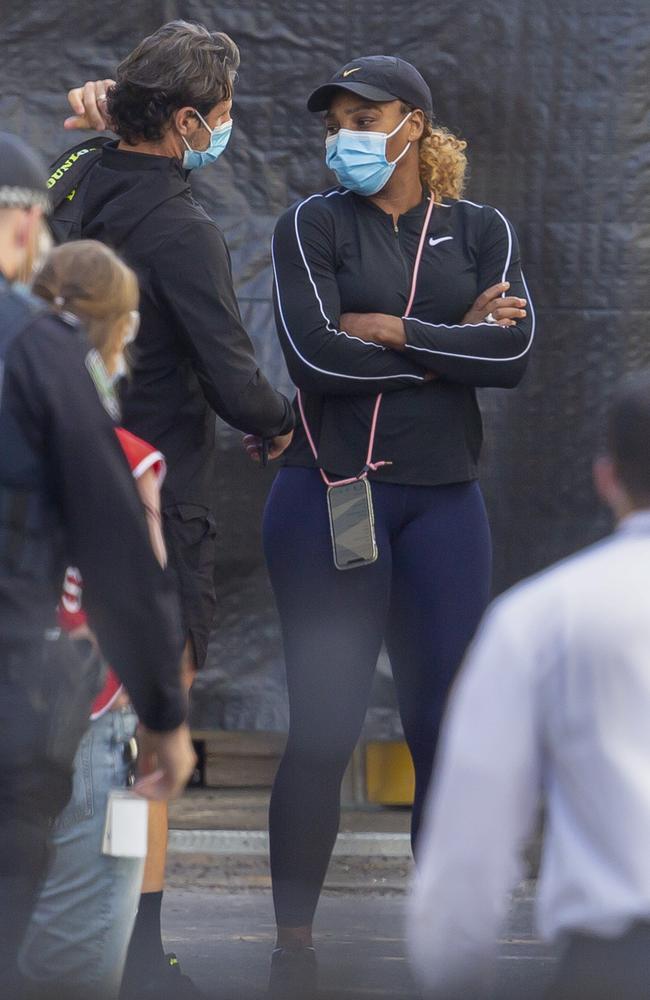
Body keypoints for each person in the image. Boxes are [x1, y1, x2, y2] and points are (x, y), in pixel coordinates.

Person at [261, 55, 535, 996]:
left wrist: (398, 330)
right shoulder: (310, 223)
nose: (345, 130)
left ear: (413, 124)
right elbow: (314, 356)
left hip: (442, 504)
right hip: (331, 493)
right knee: (325, 732)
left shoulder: (480, 229)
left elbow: (514, 355)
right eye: (334, 117)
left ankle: (447, 938)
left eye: (363, 113)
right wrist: (452, 343)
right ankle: (293, 945)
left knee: (445, 729)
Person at [56, 20, 295, 995]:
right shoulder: (179, 229)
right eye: (221, 115)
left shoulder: (73, 177)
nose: (226, 129)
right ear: (189, 119)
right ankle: (138, 948)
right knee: (152, 730)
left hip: (54, 485)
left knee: (68, 726)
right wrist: (280, 421)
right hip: (153, 502)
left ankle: (70, 918)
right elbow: (234, 377)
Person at [0, 133, 195, 995]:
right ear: (20, 226)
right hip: (35, 691)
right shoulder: (36, 351)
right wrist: (164, 711)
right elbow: (118, 551)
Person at [408, 369, 650, 1000]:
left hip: (616, 967)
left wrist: (453, 972)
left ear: (608, 478)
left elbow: (468, 855)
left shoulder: (546, 616)